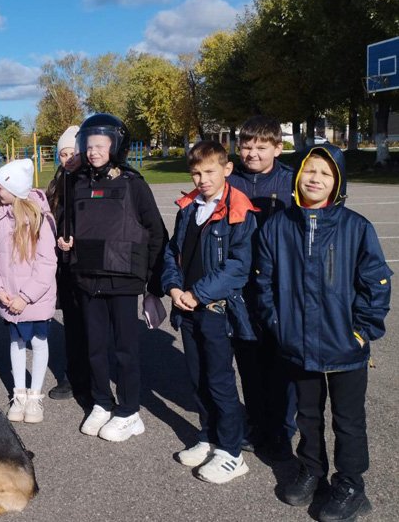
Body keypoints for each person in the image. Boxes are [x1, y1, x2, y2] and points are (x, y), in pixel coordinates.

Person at [256, 145, 392, 520]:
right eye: (309, 170)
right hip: (297, 345)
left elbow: (377, 284)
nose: (315, 178)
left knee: (348, 420)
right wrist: (279, 326)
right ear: (297, 175)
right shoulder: (279, 226)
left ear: (338, 183)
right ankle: (312, 470)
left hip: (345, 348)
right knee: (308, 415)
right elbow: (263, 283)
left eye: (325, 173)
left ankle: (351, 484)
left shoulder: (356, 227)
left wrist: (361, 332)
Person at [61, 114, 166, 443]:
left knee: (125, 350)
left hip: (122, 281)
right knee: (95, 348)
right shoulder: (77, 183)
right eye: (88, 146)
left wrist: (153, 284)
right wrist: (67, 245)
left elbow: (156, 233)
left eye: (100, 146)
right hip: (88, 279)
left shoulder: (133, 184)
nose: (93, 152)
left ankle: (130, 411)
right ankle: (102, 402)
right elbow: (71, 229)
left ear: (115, 146)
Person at [161, 140, 257, 484]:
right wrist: (173, 288)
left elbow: (238, 266)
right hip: (186, 307)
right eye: (196, 173)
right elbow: (173, 253)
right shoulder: (189, 208)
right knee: (197, 377)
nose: (202, 179)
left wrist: (197, 294)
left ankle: (231, 451)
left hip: (215, 309)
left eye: (209, 172)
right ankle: (209, 435)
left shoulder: (238, 209)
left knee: (219, 382)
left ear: (227, 169)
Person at [227, 116, 296, 455]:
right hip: (242, 289)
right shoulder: (230, 181)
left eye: (261, 147)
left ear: (277, 148)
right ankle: (256, 421)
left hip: (280, 287)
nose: (252, 153)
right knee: (250, 361)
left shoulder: (291, 183)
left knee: (281, 360)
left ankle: (283, 427)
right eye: (247, 146)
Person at [0, 159, 58, 424]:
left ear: (15, 189)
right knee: (15, 343)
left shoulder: (40, 219)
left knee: (38, 342)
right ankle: (19, 393)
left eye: (0, 187)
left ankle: (34, 396)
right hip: (8, 298)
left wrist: (25, 297)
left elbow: (47, 263)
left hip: (33, 299)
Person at [45, 126, 89, 401]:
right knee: (72, 324)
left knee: (92, 324)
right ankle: (72, 375)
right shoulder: (57, 184)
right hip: (63, 265)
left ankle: (96, 376)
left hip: (87, 262)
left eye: (73, 152)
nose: (68, 158)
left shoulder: (90, 180)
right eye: (63, 153)